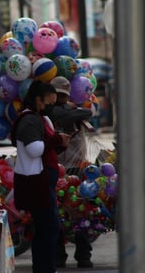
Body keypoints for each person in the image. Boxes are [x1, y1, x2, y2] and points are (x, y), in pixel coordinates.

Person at [10, 80, 70, 273]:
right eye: (47, 103)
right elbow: (35, 149)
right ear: (37, 100)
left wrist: (58, 143)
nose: (49, 107)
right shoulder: (29, 120)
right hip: (38, 184)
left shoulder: (39, 118)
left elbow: (44, 148)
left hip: (44, 182)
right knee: (48, 229)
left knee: (47, 229)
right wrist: (56, 140)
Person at [49, 76, 94, 268]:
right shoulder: (50, 112)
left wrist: (76, 110)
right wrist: (73, 110)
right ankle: (59, 256)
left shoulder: (74, 110)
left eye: (64, 96)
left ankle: (83, 256)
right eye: (58, 95)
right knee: (57, 215)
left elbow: (88, 112)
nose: (60, 98)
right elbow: (62, 115)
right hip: (57, 170)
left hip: (77, 167)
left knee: (79, 213)